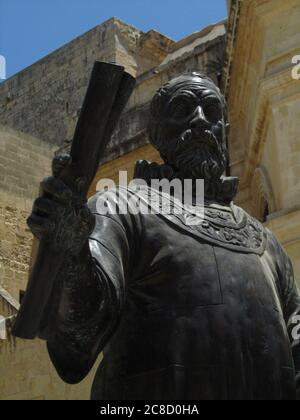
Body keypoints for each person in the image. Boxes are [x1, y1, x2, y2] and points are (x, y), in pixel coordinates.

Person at [27, 73, 300, 400]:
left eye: (212, 112)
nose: (200, 121)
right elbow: (79, 332)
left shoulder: (265, 241)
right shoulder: (119, 207)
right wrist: (71, 251)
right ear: (156, 133)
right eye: (183, 108)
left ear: (224, 132)